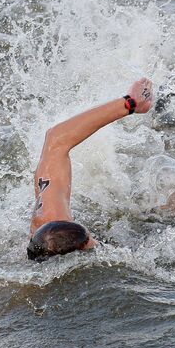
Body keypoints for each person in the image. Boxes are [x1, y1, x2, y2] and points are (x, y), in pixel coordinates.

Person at [26, 78, 154, 261]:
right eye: (91, 240)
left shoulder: (45, 221)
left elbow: (56, 140)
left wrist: (130, 103)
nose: (94, 240)